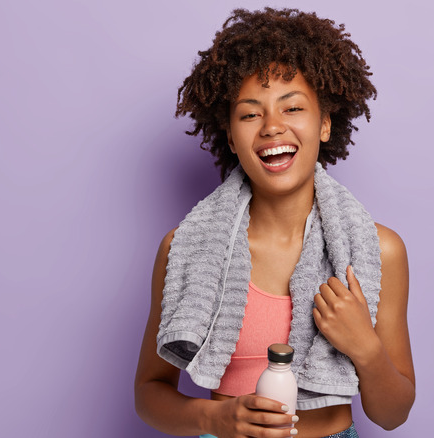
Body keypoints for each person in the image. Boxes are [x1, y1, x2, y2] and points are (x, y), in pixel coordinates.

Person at [135, 7, 415, 438]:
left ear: (324, 123)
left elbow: (393, 414)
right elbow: (149, 393)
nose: (272, 127)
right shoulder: (184, 248)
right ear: (230, 136)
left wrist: (365, 347)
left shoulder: (380, 251)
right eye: (250, 114)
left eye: (293, 108)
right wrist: (214, 419)